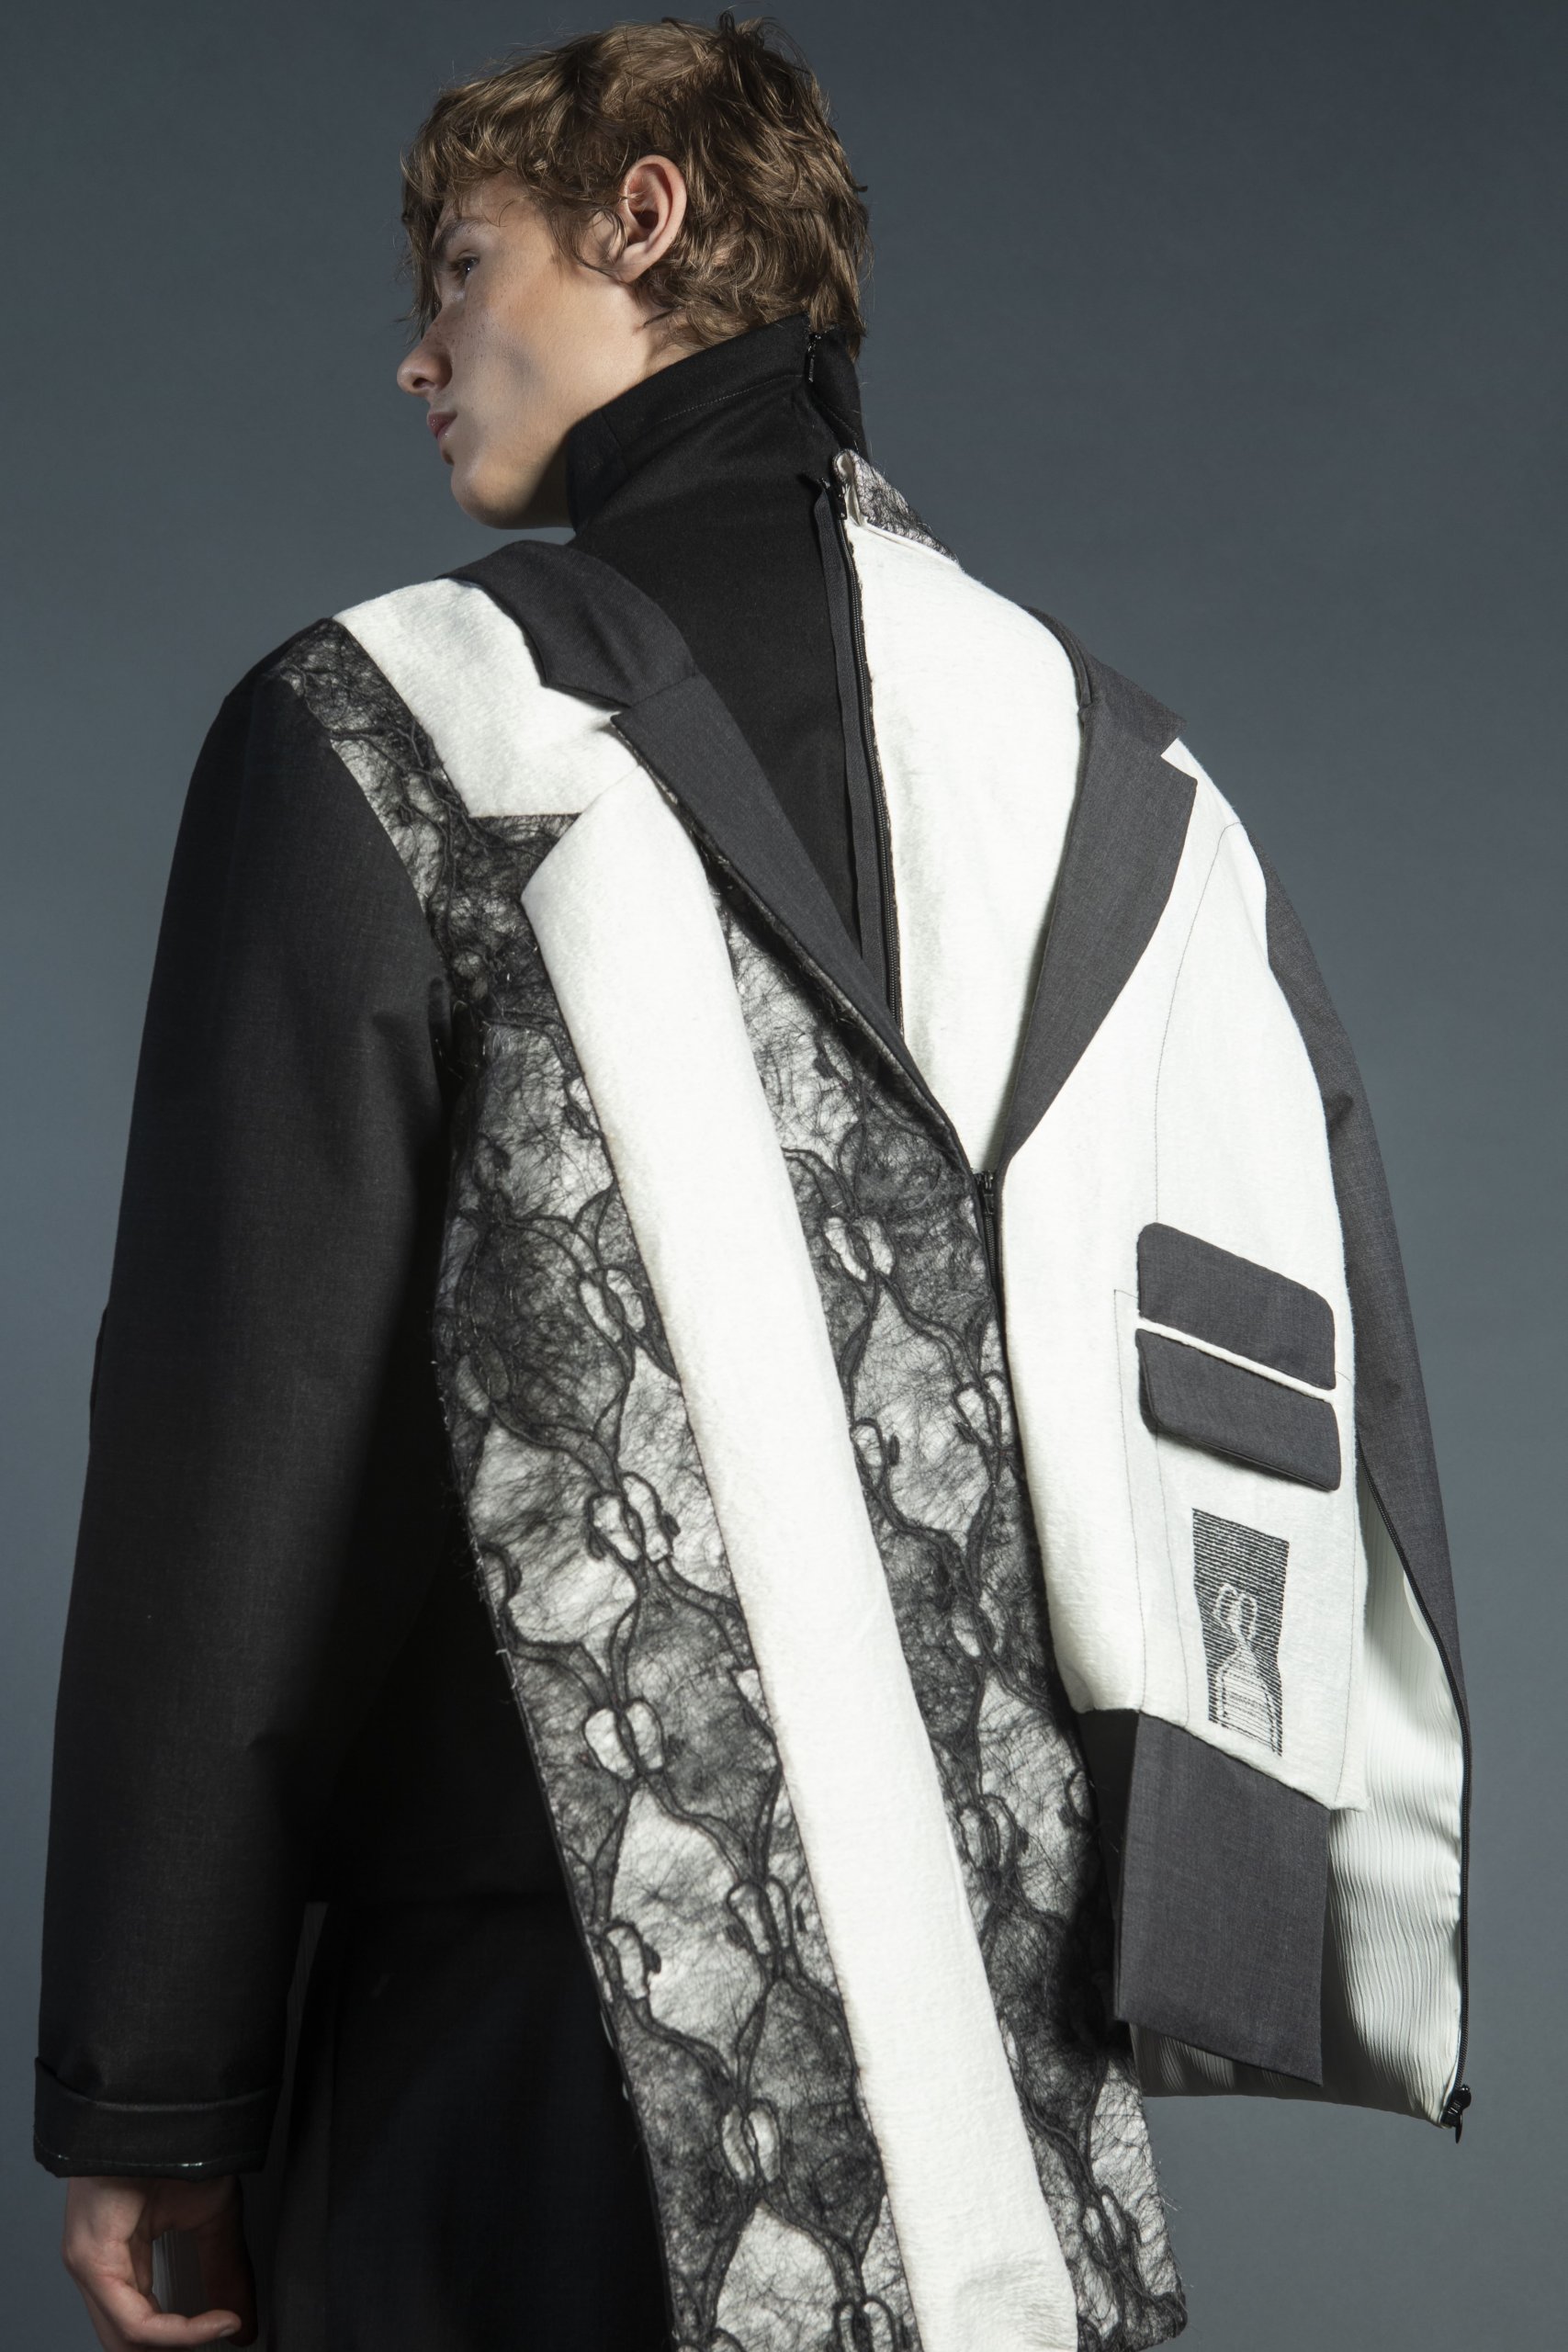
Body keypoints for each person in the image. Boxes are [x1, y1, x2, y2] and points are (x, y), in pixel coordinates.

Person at [36, 16, 1471, 2352]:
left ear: (647, 218)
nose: (416, 353)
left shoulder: (391, 730)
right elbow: (1301, 1376)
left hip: (511, 2050)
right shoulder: (1131, 777)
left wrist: (154, 2077)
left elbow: (238, 1446)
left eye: (460, 264)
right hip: (1012, 2067)